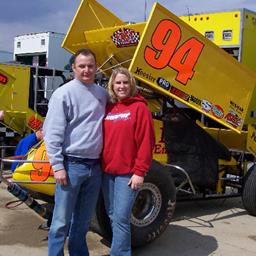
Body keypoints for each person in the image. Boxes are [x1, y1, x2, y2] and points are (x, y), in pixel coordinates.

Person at [43, 48, 108, 256]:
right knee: (61, 222)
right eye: (82, 66)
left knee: (82, 222)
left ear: (96, 68)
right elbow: (52, 133)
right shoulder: (63, 94)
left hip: (95, 167)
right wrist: (58, 166)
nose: (86, 70)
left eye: (90, 66)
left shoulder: (102, 94)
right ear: (73, 68)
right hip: (71, 166)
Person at [101, 67, 155, 256]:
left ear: (131, 84)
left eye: (125, 82)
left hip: (128, 174)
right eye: (118, 83)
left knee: (121, 217)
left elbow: (146, 143)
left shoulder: (140, 108)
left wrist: (140, 171)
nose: (122, 86)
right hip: (107, 172)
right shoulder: (109, 107)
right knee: (112, 216)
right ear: (112, 85)